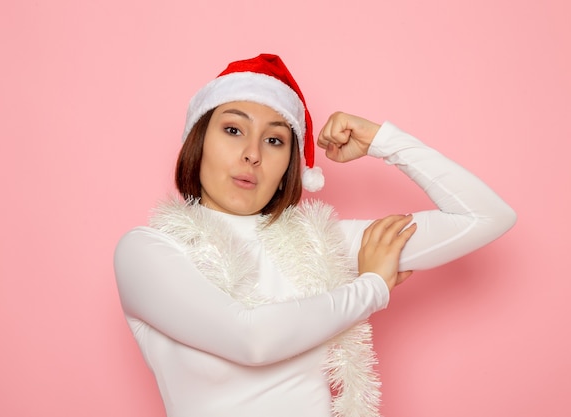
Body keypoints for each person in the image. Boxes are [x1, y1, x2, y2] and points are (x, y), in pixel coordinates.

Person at [113, 53, 516, 417]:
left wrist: (384, 142)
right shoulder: (148, 251)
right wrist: (371, 287)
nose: (252, 153)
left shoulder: (321, 245)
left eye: (274, 140)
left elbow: (485, 216)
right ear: (197, 142)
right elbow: (252, 340)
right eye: (233, 130)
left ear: (290, 163)